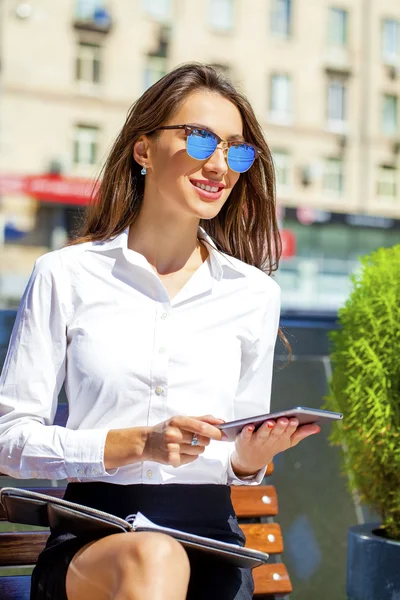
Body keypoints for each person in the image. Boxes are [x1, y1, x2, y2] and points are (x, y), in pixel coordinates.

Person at [0, 63, 320, 600]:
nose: (220, 164)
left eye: (236, 150)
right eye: (201, 139)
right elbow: (9, 440)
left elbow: (235, 458)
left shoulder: (254, 294)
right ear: (143, 149)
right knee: (153, 555)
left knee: (166, 558)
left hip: (214, 545)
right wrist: (134, 445)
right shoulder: (66, 275)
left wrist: (250, 459)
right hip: (96, 543)